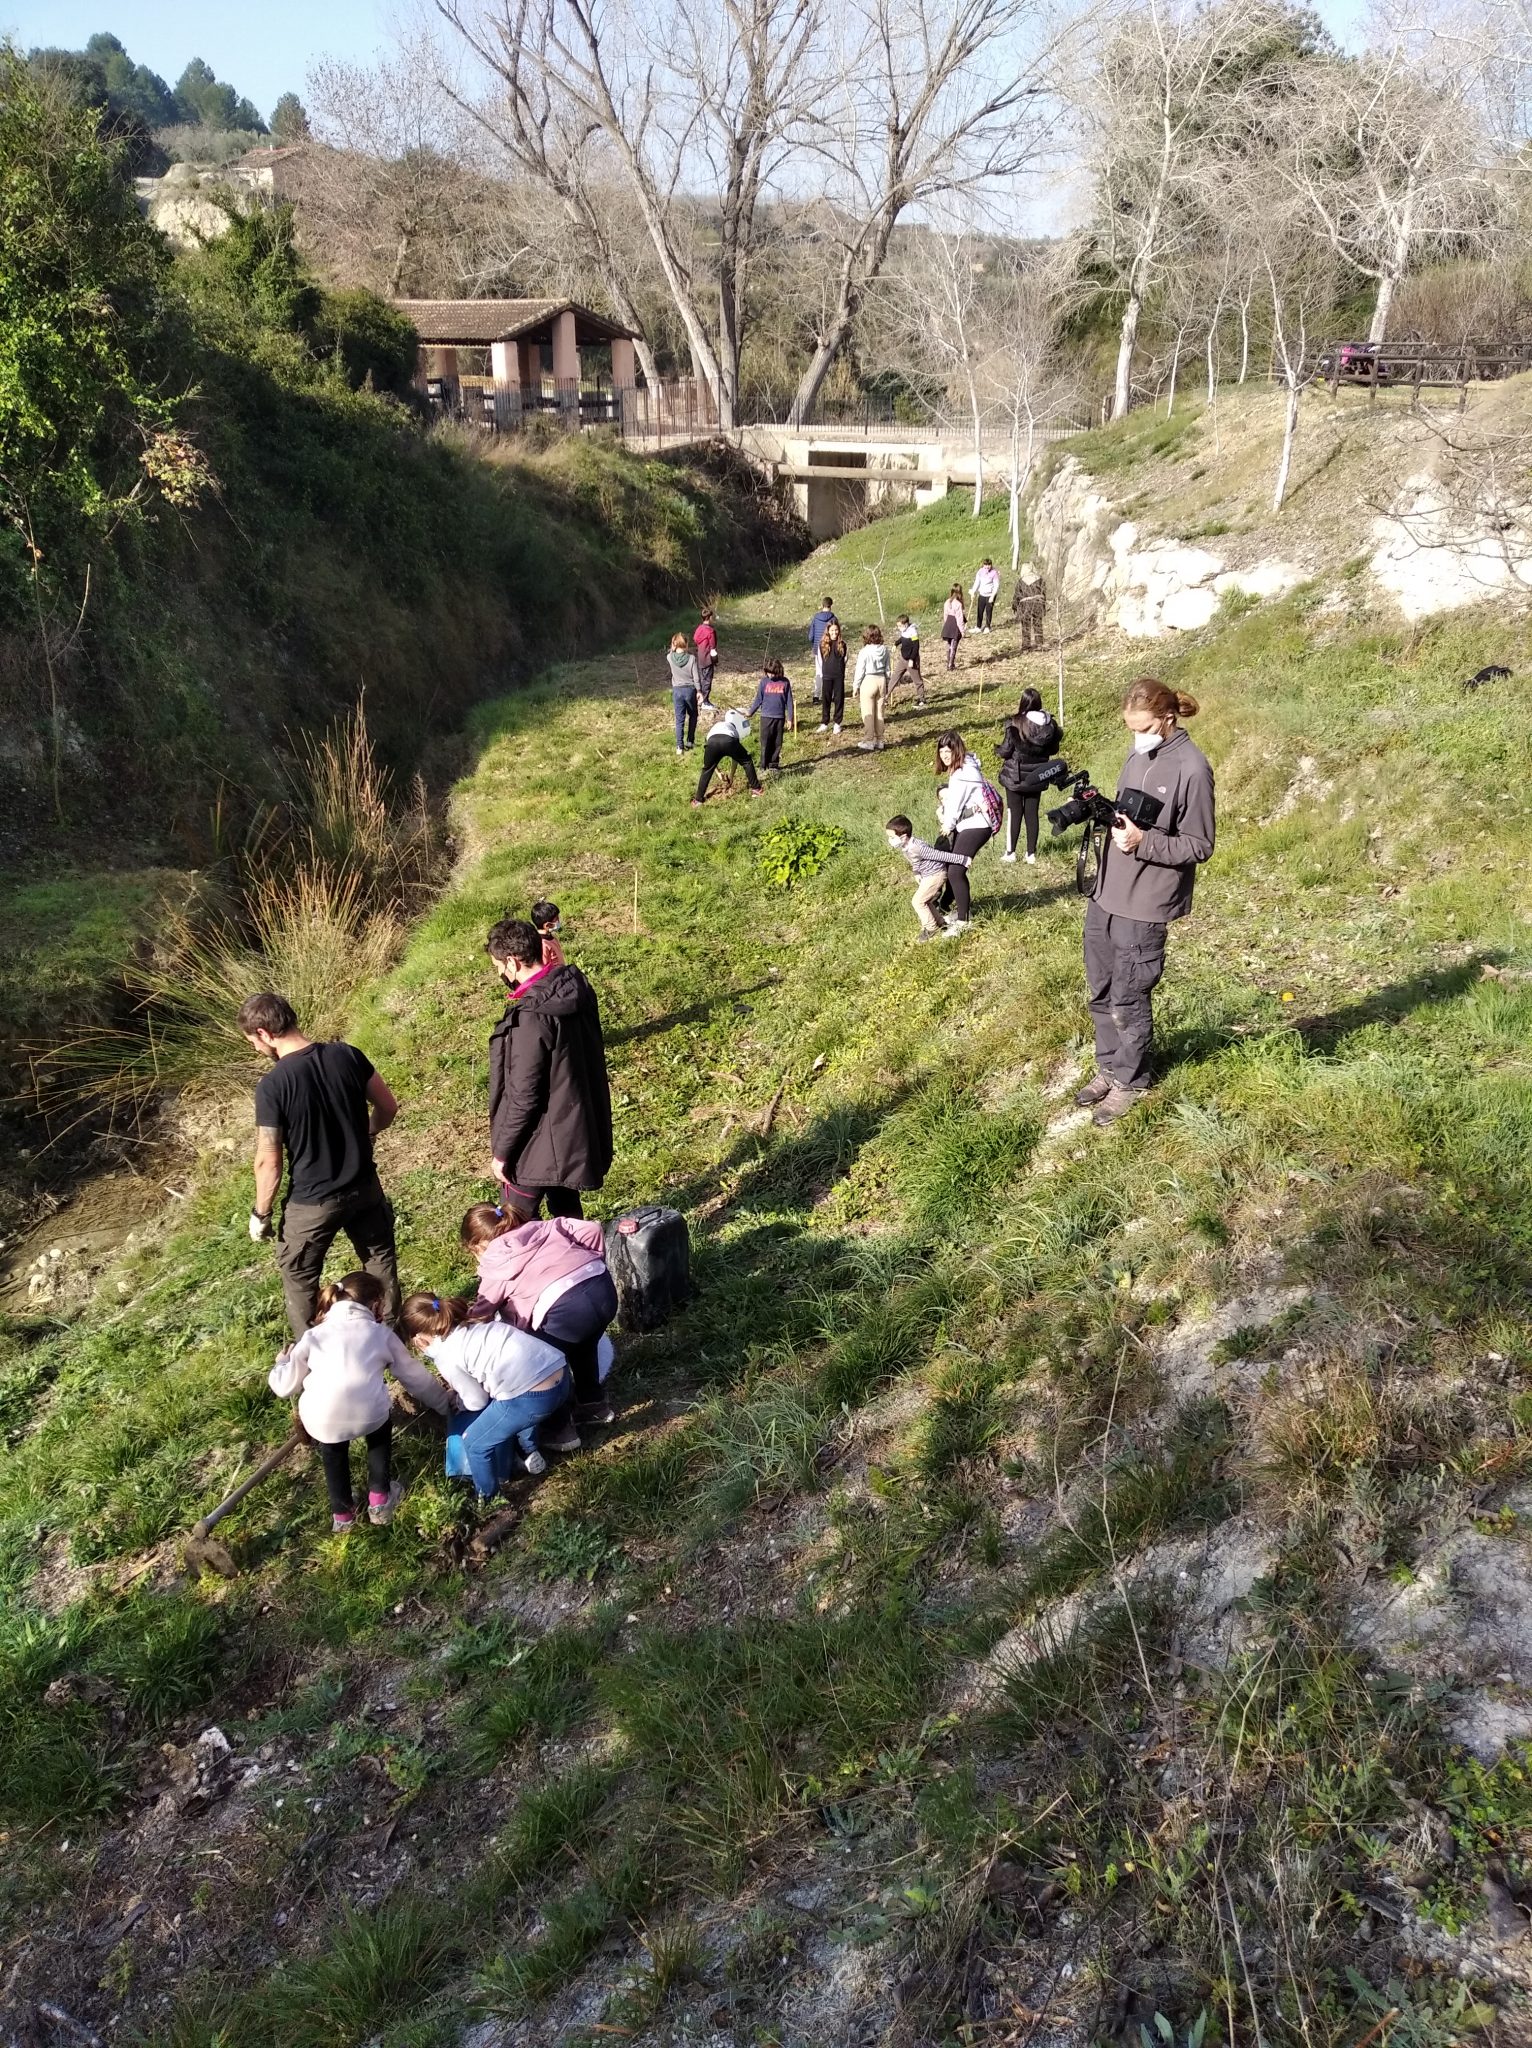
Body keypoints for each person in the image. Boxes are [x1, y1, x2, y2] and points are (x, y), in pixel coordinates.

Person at [1077, 679, 1215, 1129]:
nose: (1137, 736)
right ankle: (1109, 1067)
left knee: (1129, 996)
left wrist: (1143, 842)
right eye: (1130, 727)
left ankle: (1132, 1082)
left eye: (1145, 727)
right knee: (1100, 988)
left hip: (1147, 902)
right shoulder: (1138, 755)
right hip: (1107, 893)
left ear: (1167, 719)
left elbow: (1199, 844)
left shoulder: (1192, 768)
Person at [239, 992, 402, 1340]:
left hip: (313, 1202)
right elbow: (388, 1106)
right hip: (364, 1187)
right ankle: (390, 1339)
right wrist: (366, 1132)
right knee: (379, 1261)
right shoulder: (348, 1055)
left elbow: (269, 1159)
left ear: (266, 1033)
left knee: (299, 1279)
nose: (256, 1049)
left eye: (254, 1041)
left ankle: (313, 1355)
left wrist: (261, 1213)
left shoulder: (272, 1086)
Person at [269, 1271, 455, 1531]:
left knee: (333, 1450)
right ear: (376, 1304)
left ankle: (342, 1516)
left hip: (322, 1420)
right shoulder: (380, 1334)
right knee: (378, 1433)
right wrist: (444, 1404)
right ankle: (380, 1500)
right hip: (370, 1415)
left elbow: (283, 1386)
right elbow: (416, 1378)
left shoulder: (314, 1336)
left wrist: (280, 1364)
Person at [485, 918, 613, 1219]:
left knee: (515, 1224)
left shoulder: (532, 1016)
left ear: (513, 963)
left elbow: (524, 1094)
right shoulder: (570, 989)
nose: (500, 974)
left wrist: (502, 1153)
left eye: (498, 967)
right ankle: (585, 1264)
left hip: (536, 1144)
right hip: (568, 1134)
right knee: (566, 1213)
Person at [460, 1201, 619, 1427]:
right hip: (602, 1289)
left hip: (564, 1309)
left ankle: (560, 1429)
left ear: (478, 1246)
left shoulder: (496, 1260)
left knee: (543, 1365)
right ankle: (593, 1405)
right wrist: (591, 1259)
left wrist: (457, 1325)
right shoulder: (544, 1227)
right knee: (584, 1344)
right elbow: (591, 1229)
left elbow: (482, 1312)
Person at [399, 1291, 571, 1498]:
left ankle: (487, 1497)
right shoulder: (476, 1325)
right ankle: (528, 1450)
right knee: (509, 1394)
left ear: (418, 1339)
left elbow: (477, 1401)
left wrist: (460, 1402)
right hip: (561, 1376)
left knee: (474, 1442)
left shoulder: (445, 1356)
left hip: (535, 1399)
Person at [932, 729, 996, 934]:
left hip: (976, 825)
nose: (944, 755)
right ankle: (959, 911)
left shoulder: (961, 775)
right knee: (954, 868)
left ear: (956, 749)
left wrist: (947, 826)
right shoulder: (966, 767)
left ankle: (963, 922)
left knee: (956, 870)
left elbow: (954, 804)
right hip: (971, 823)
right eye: (941, 751)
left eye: (948, 750)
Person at [996, 689, 1063, 865]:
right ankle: (1031, 853)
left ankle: (1010, 853)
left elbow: (1006, 751)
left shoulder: (1015, 723)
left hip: (1016, 776)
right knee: (1032, 814)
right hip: (1037, 775)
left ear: (1023, 702)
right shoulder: (1050, 725)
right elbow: (1054, 749)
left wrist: (997, 750)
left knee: (1014, 813)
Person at [885, 815, 974, 942]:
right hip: (928, 876)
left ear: (903, 837)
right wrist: (916, 873)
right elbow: (915, 861)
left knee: (917, 902)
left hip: (936, 875)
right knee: (925, 901)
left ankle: (931, 928)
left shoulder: (917, 847)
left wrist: (962, 859)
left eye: (892, 837)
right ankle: (940, 923)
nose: (890, 840)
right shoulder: (906, 847)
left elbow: (939, 855)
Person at [692, 705, 763, 804]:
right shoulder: (733, 729)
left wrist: (718, 773)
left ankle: (698, 800)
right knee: (746, 761)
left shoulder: (714, 727)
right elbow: (736, 759)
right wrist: (731, 776)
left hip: (711, 742)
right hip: (728, 740)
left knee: (706, 769)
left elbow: (709, 760)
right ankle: (756, 789)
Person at [747, 657, 795, 773]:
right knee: (765, 742)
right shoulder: (764, 682)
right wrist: (750, 711)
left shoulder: (785, 682)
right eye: (768, 673)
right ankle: (763, 766)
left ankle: (773, 765)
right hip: (766, 717)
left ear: (778, 671)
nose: (770, 675)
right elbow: (758, 699)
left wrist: (790, 718)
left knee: (777, 742)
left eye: (773, 673)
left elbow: (789, 701)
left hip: (779, 717)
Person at [854, 626, 891, 751]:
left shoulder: (864, 651)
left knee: (868, 712)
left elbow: (860, 670)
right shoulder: (885, 650)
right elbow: (888, 669)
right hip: (881, 679)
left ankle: (869, 740)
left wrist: (856, 686)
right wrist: (887, 682)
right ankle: (880, 740)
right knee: (880, 712)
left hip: (869, 680)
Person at [666, 633, 702, 755]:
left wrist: (673, 646)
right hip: (690, 690)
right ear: (686, 644)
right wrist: (699, 691)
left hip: (677, 691)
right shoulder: (692, 659)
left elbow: (671, 652)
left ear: (674, 644)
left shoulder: (670, 658)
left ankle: (679, 747)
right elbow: (696, 677)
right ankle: (690, 741)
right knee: (693, 715)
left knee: (679, 719)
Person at [816, 621, 848, 733]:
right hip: (827, 676)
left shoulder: (842, 644)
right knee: (826, 699)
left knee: (839, 699)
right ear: (828, 632)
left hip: (838, 675)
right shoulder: (823, 645)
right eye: (832, 630)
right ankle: (825, 722)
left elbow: (845, 659)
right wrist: (822, 673)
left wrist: (841, 671)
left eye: (836, 630)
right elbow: (820, 660)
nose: (834, 632)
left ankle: (837, 723)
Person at [807, 595, 837, 705]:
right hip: (830, 647)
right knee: (831, 671)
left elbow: (810, 636)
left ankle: (816, 696)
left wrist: (815, 643)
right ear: (831, 606)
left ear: (822, 605)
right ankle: (832, 695)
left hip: (818, 648)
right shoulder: (834, 618)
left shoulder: (816, 618)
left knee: (819, 672)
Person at [891, 615, 926, 709]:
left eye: (900, 626)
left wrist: (911, 659)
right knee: (895, 677)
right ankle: (885, 696)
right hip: (903, 659)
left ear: (905, 624)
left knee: (917, 680)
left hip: (912, 661)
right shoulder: (904, 631)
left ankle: (922, 700)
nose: (898, 628)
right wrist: (895, 644)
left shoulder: (913, 632)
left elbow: (916, 647)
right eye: (897, 626)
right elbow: (902, 639)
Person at [1012, 564, 1046, 651]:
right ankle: (1039, 643)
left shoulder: (1021, 581)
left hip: (1025, 605)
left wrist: (1015, 606)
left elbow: (1017, 595)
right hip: (1038, 603)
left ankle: (1026, 645)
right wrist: (1043, 606)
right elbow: (1043, 593)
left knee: (1025, 625)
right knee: (1038, 624)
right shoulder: (1040, 580)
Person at [531, 900, 565, 971]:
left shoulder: (550, 937)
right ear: (547, 925)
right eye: (556, 919)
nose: (559, 921)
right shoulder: (543, 944)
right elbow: (544, 968)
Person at [693, 609, 718, 702]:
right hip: (708, 659)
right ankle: (705, 701)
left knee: (702, 679)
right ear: (709, 617)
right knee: (707, 680)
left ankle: (699, 699)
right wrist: (715, 660)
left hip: (700, 657)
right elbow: (713, 647)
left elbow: (695, 639)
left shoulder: (699, 629)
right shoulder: (711, 631)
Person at [970, 558, 1000, 632]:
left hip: (990, 595)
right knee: (980, 611)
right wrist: (973, 592)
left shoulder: (994, 573)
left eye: (989, 565)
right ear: (983, 565)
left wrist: (992, 596)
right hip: (982, 594)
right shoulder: (980, 572)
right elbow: (977, 582)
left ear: (991, 565)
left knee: (988, 611)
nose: (987, 567)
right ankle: (978, 627)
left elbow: (996, 585)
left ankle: (987, 627)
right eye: (985, 565)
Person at [940, 585, 966, 671]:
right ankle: (951, 664)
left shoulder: (947, 602)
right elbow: (959, 619)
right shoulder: (958, 604)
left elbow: (945, 615)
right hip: (955, 626)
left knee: (948, 645)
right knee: (953, 646)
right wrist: (962, 631)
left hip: (948, 624)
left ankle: (948, 662)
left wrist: (946, 624)